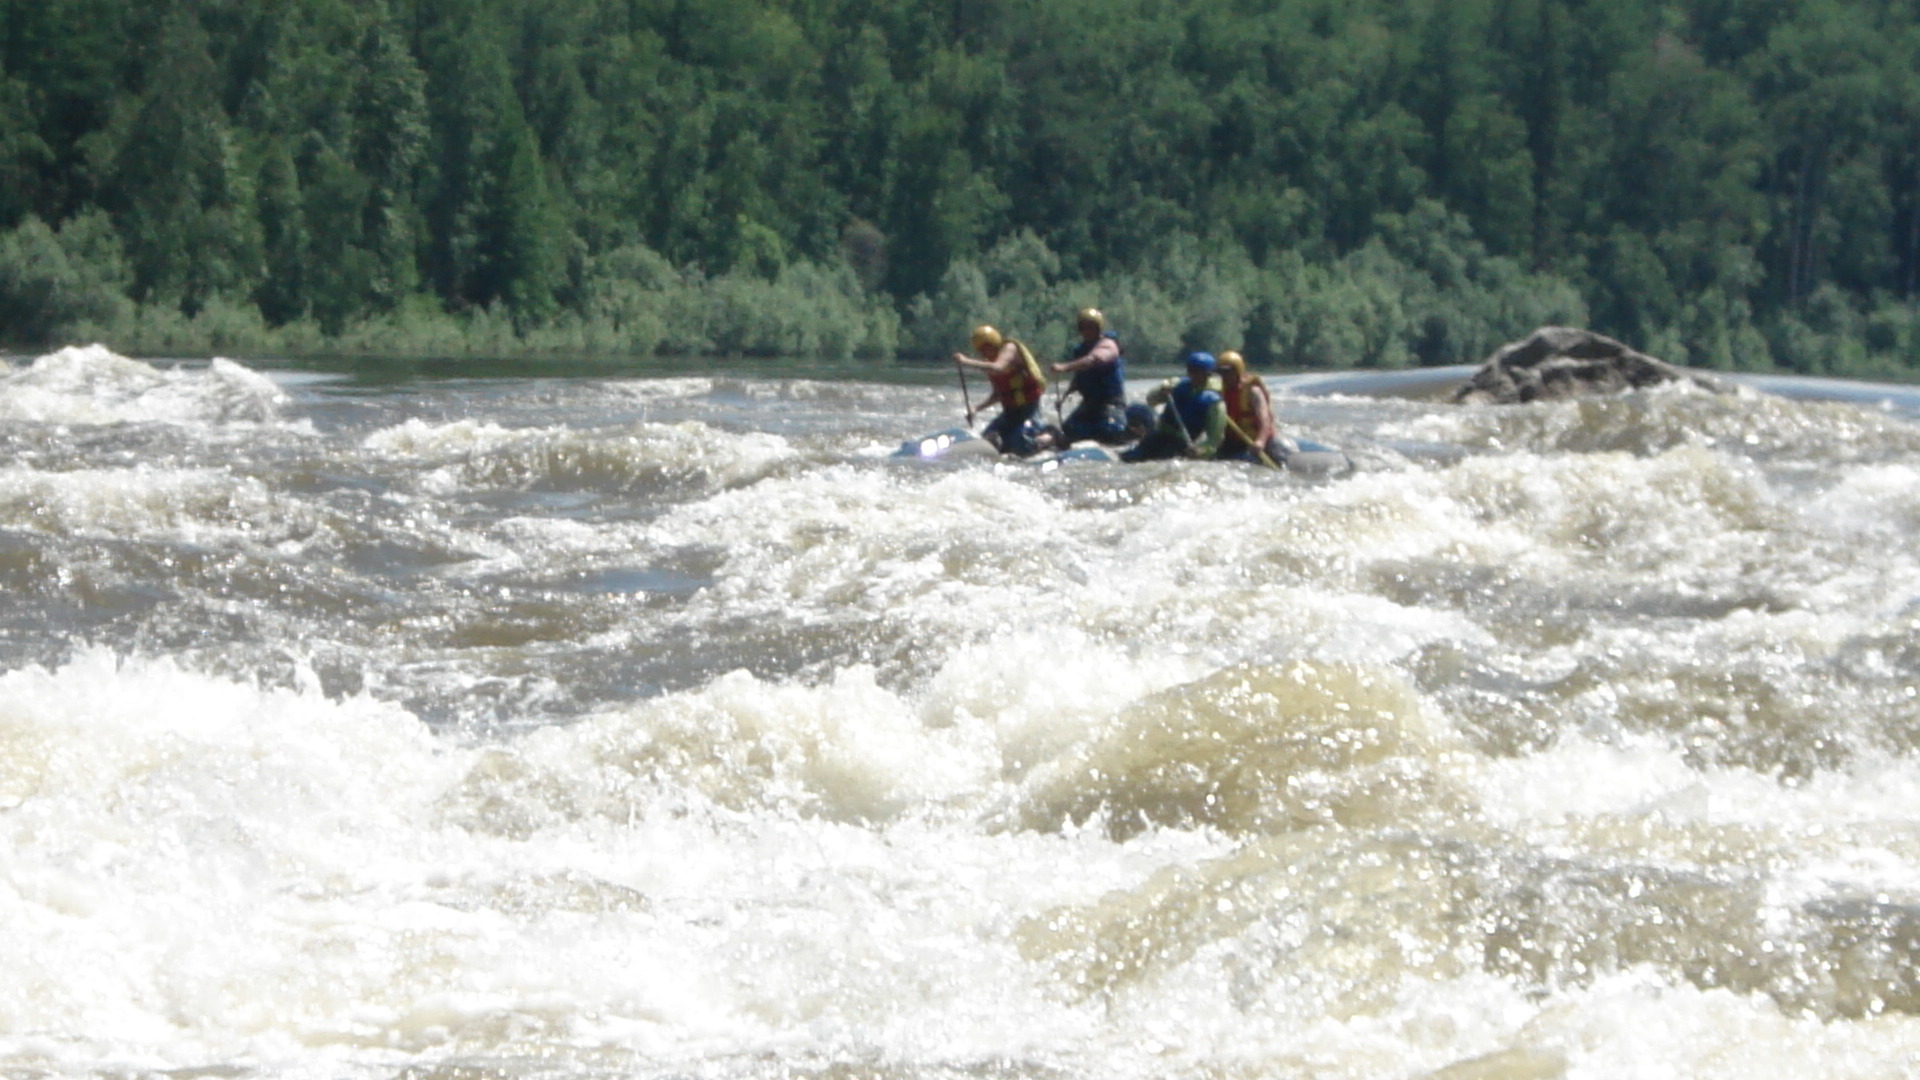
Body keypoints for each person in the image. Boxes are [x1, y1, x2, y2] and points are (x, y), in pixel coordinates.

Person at [953, 324, 1048, 456]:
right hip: (1010, 413)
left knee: (1022, 444)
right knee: (988, 440)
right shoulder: (989, 363)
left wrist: (966, 361)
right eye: (980, 350)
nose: (983, 353)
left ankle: (1051, 436)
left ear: (994, 343)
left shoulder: (1010, 348)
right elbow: (998, 394)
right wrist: (977, 408)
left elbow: (998, 367)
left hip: (1029, 410)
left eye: (986, 348)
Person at [1121, 351, 1227, 463]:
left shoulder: (1215, 402)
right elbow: (1151, 400)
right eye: (1191, 370)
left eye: (1198, 371)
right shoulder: (1176, 384)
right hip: (1160, 435)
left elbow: (1215, 439)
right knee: (1132, 457)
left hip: (1182, 442)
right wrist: (1161, 392)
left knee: (1163, 459)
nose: (1193, 375)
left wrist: (1200, 451)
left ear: (1207, 374)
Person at [1051, 307, 1133, 445]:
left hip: (1111, 403)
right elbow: (1079, 378)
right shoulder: (1081, 350)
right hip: (1090, 404)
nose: (1086, 331)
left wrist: (1065, 367)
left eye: (1090, 327)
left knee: (1110, 430)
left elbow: (1094, 360)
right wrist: (1064, 398)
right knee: (1068, 430)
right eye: (1083, 327)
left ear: (1098, 328)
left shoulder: (1109, 345)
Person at [1214, 350, 1284, 467]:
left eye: (1227, 372)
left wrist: (1260, 441)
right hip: (1234, 441)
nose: (1224, 376)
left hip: (1257, 441)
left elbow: (1265, 420)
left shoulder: (1253, 391)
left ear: (1238, 371)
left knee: (1280, 462)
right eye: (1221, 372)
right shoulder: (1220, 391)